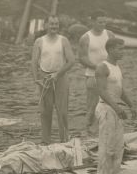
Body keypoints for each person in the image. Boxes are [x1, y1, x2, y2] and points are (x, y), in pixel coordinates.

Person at [95, 38, 137, 174]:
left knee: (118, 144)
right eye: (120, 49)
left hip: (116, 108)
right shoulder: (102, 67)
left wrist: (131, 105)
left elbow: (120, 89)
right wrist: (117, 107)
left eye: (123, 48)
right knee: (107, 144)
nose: (122, 51)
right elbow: (102, 91)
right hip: (106, 108)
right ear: (111, 49)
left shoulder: (117, 67)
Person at [31, 15, 75, 144]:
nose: (54, 26)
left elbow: (71, 61)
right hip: (44, 78)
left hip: (60, 77)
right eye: (51, 24)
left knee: (62, 111)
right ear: (45, 25)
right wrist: (36, 79)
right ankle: (45, 142)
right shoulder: (39, 41)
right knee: (45, 112)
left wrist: (58, 74)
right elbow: (33, 62)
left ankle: (64, 141)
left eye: (56, 24)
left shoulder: (63, 40)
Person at [78, 11, 115, 134]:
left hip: (108, 76)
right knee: (92, 107)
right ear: (92, 21)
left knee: (110, 105)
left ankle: (107, 131)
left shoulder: (110, 34)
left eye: (104, 22)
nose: (103, 24)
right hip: (92, 76)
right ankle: (89, 133)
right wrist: (97, 68)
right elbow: (82, 58)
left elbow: (115, 54)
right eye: (100, 22)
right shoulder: (85, 37)